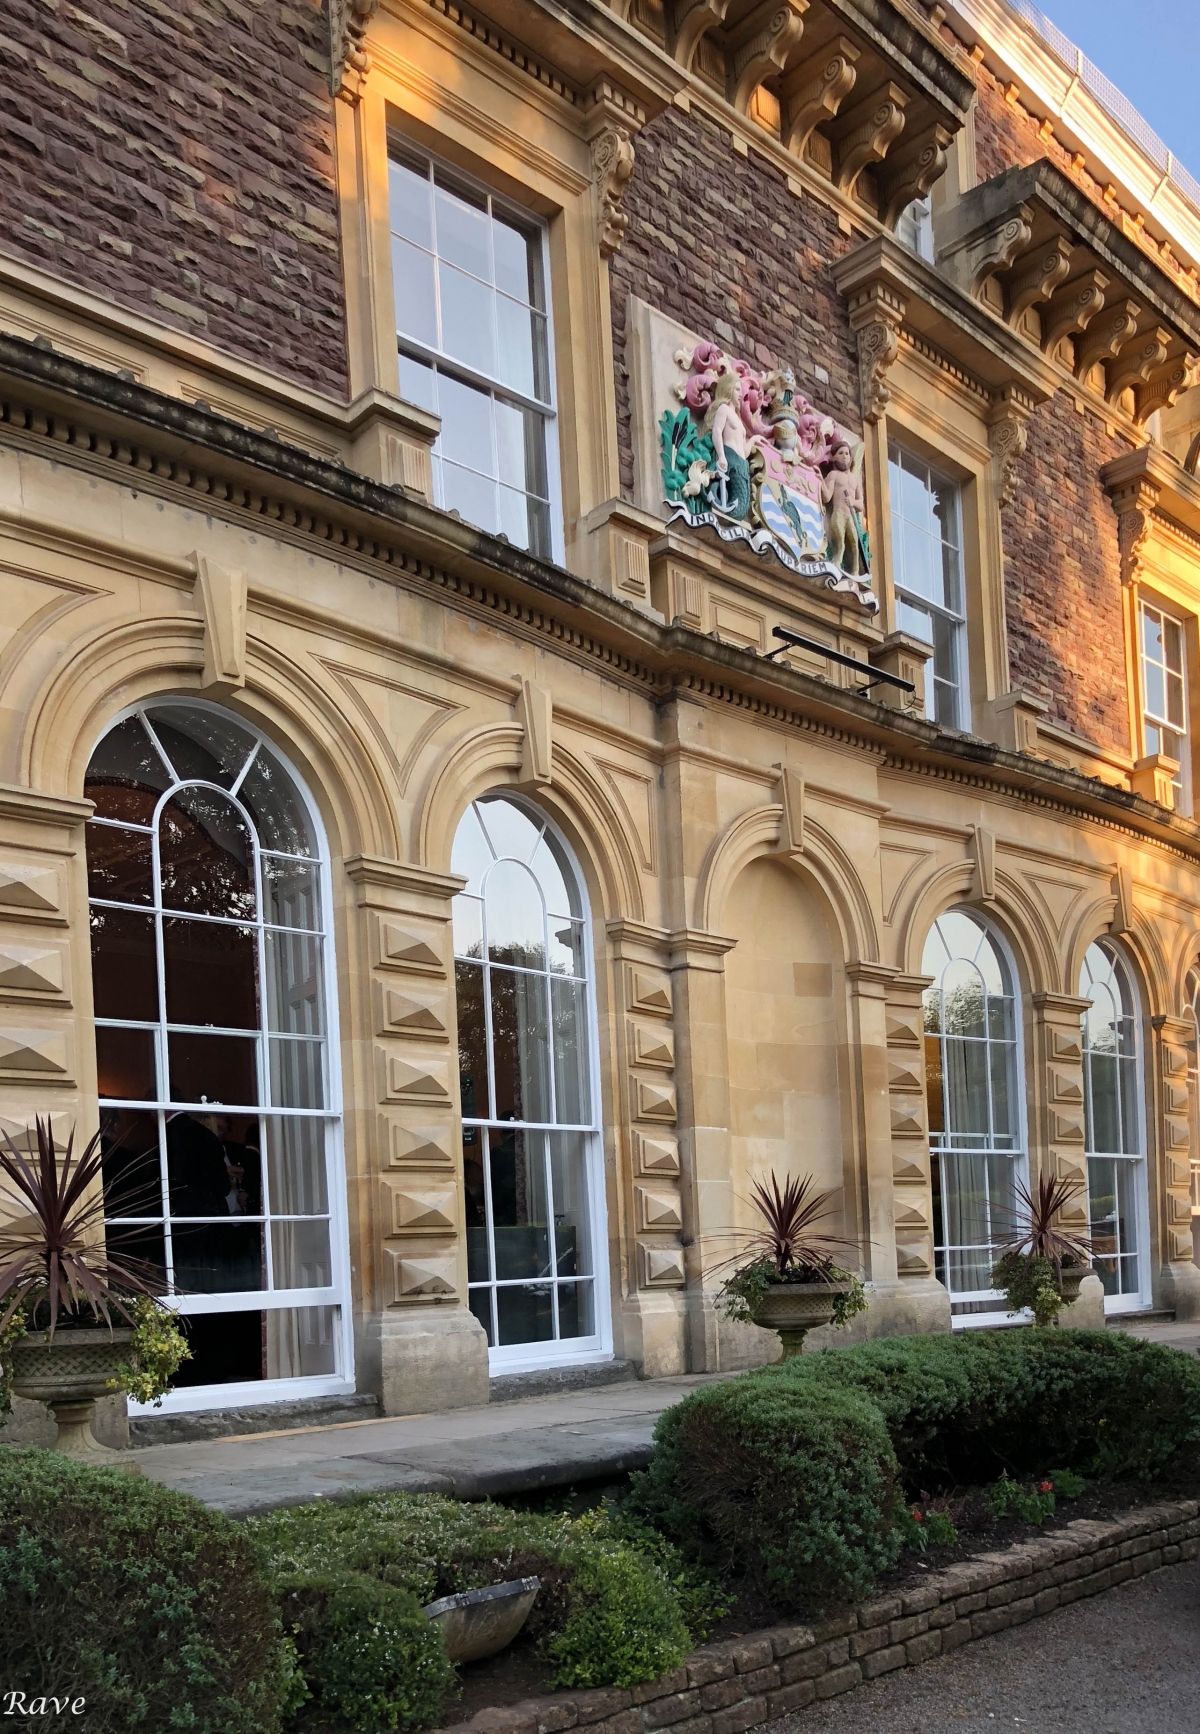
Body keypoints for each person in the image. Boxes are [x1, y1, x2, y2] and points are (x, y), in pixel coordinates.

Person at [820, 439, 870, 576]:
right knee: (840, 541)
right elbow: (827, 497)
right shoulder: (833, 475)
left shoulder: (854, 480)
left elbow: (861, 505)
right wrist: (820, 480)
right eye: (841, 453)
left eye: (847, 453)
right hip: (839, 513)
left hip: (850, 516)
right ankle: (837, 560)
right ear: (834, 457)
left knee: (854, 543)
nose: (845, 456)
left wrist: (853, 502)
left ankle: (854, 570)